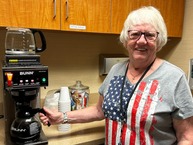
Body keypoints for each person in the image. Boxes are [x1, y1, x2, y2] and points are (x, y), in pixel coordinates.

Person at [39, 6, 193, 145]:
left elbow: (187, 137)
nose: (141, 41)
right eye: (135, 34)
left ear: (158, 41)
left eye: (149, 35)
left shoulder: (174, 78)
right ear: (126, 40)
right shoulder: (116, 70)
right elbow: (100, 110)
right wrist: (62, 117)